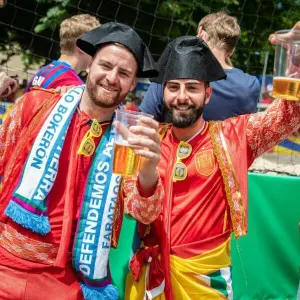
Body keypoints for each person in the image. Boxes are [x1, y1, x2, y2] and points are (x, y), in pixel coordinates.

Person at [125, 35, 300, 299]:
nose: (182, 97)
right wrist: (148, 169)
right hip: (148, 281)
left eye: (192, 88)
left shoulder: (234, 136)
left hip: (205, 284)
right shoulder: (147, 139)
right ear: (163, 92)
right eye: (173, 87)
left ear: (208, 94)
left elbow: (287, 117)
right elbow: (139, 213)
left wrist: (297, 73)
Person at [0, 22, 164, 300]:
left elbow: (144, 213)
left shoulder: (131, 134)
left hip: (65, 279)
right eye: (106, 66)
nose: (112, 78)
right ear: (90, 64)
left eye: (124, 73)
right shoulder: (36, 105)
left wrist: (149, 168)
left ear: (134, 82)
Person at [140, 11, 260, 122]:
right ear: (232, 51)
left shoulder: (170, 74)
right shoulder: (249, 85)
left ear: (200, 34)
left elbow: (144, 121)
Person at [26, 14, 100, 91]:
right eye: (96, 45)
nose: (98, 51)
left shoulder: (41, 73)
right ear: (82, 46)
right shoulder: (73, 86)